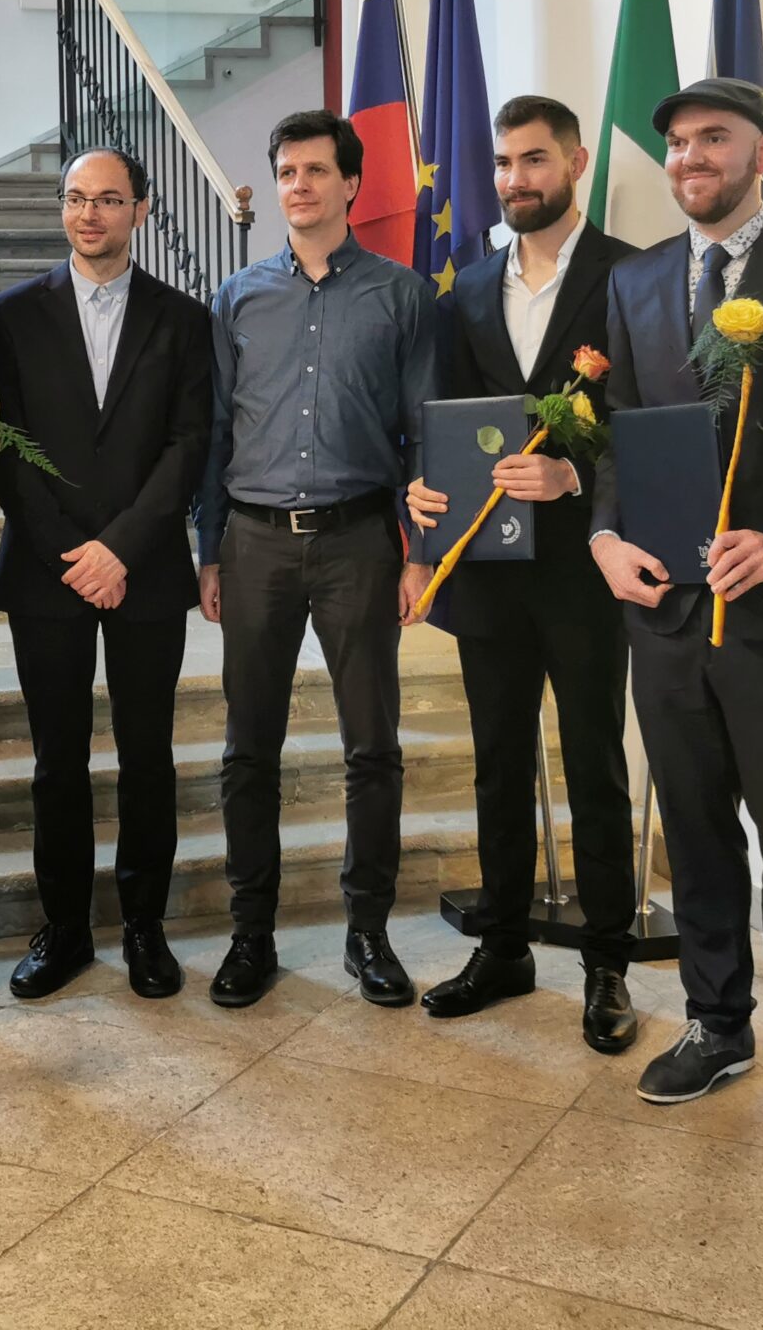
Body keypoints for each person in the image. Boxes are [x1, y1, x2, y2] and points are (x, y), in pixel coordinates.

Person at [585, 76, 763, 1134]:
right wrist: (604, 539)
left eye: (713, 138)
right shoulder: (637, 279)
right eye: (679, 143)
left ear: (762, 152)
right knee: (693, 832)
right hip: (662, 611)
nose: (690, 157)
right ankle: (714, 1023)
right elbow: (617, 428)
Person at [404, 95, 640, 1053]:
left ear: (575, 162)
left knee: (596, 765)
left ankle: (608, 962)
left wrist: (573, 475)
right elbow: (447, 419)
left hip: (586, 568)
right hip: (490, 571)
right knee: (498, 765)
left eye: (534, 160)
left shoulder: (632, 277)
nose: (515, 179)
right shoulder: (466, 290)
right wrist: (424, 491)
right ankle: (502, 946)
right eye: (503, 163)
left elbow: (648, 420)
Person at [198, 109, 434, 1010]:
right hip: (254, 542)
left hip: (360, 542)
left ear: (351, 185)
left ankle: (367, 932)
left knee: (372, 746)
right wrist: (209, 551)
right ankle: (250, 934)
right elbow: (217, 432)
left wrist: (419, 554)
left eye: (315, 171)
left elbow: (424, 432)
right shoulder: (238, 298)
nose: (298, 186)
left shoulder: (402, 296)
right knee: (247, 748)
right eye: (286, 171)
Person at [0, 148, 213, 1001]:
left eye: (109, 199)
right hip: (46, 572)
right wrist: (72, 555)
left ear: (141, 211)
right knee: (58, 759)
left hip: (145, 569)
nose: (90, 214)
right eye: (76, 198)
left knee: (148, 755)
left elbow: (190, 444)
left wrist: (121, 548)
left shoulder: (184, 318)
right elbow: (3, 447)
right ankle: (66, 928)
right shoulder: (10, 315)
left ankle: (145, 926)